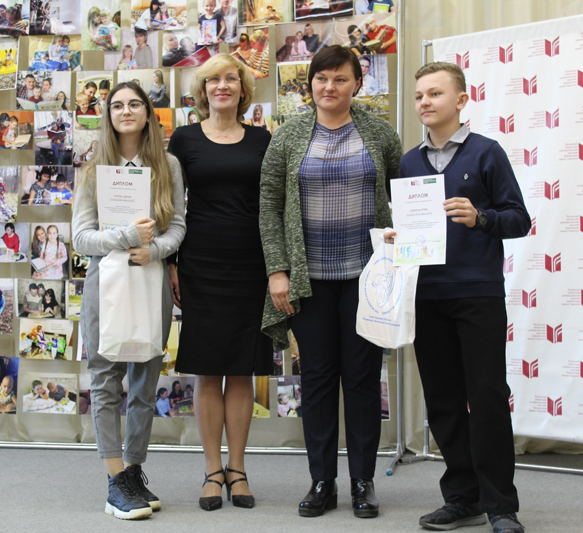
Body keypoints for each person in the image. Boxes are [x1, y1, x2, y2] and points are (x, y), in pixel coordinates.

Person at [382, 62, 529, 533]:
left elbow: (519, 219)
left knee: (487, 398)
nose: (424, 102)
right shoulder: (409, 162)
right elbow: (411, 226)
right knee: (443, 401)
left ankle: (500, 505)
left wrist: (481, 216)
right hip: (427, 296)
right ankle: (463, 498)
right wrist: (397, 238)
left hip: (477, 294)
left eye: (435, 93)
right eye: (419, 95)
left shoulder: (487, 152)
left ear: (461, 100)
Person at [259, 45, 402, 519]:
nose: (330, 87)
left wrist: (403, 238)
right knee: (318, 380)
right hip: (309, 280)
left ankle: (363, 481)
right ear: (310, 83)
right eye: (322, 78)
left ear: (357, 84)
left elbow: (402, 194)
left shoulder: (379, 133)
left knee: (362, 379)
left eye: (341, 79)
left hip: (367, 278)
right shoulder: (289, 135)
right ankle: (322, 481)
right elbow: (269, 205)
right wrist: (277, 270)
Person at [73, 80, 186, 520]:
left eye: (135, 103)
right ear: (108, 115)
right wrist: (125, 237)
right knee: (105, 379)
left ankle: (134, 472)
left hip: (150, 283)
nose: (126, 111)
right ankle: (114, 480)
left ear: (147, 113)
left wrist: (154, 250)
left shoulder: (168, 165)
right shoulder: (92, 170)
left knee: (144, 380)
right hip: (105, 286)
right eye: (117, 105)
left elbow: (178, 226)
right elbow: (81, 239)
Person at [168, 53, 272, 511]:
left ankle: (239, 468)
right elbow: (170, 204)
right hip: (200, 263)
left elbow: (272, 203)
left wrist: (278, 266)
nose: (223, 86)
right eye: (214, 80)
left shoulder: (263, 139)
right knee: (208, 368)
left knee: (243, 368)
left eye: (231, 79)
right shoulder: (184, 138)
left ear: (243, 89)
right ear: (203, 90)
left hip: (252, 263)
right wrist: (171, 262)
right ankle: (213, 470)